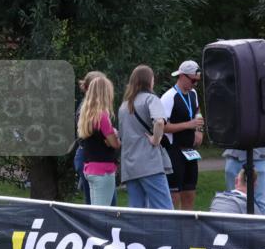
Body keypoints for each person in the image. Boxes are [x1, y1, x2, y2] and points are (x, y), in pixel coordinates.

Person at [117, 65, 172, 209]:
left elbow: (122, 135)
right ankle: (168, 233)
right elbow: (159, 121)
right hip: (149, 163)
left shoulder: (124, 106)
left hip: (130, 165)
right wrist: (155, 139)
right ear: (149, 81)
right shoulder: (151, 99)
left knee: (137, 211)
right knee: (164, 209)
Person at [161, 60, 205, 210]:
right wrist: (189, 125)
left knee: (190, 193)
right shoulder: (168, 97)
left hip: (190, 151)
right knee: (174, 196)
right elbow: (162, 127)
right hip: (174, 151)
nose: (195, 84)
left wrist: (199, 131)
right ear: (182, 76)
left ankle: (187, 230)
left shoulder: (193, 93)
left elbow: (198, 112)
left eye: (197, 81)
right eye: (193, 80)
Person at [77, 76, 121, 206]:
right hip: (103, 170)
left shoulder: (86, 114)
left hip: (90, 167)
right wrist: (116, 135)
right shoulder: (102, 116)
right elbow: (114, 143)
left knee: (95, 210)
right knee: (103, 213)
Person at [73, 70, 109, 205]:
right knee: (96, 205)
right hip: (89, 158)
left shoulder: (91, 107)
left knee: (99, 203)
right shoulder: (88, 109)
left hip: (88, 157)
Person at [222, 145, 265, 215]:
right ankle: (234, 225)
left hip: (261, 152)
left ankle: (260, 225)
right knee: (233, 199)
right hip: (234, 151)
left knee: (260, 201)